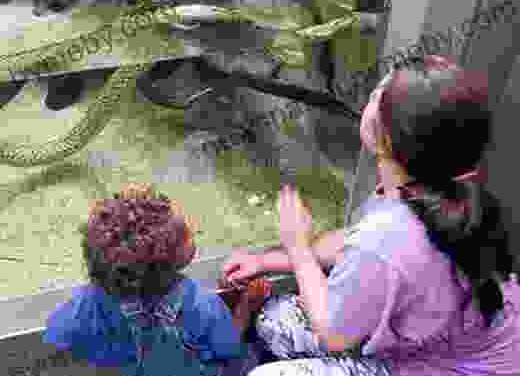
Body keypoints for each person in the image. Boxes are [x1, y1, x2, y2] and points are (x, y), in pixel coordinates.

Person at [223, 55, 520, 376]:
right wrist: (268, 262)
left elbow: (335, 335)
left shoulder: (388, 237)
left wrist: (297, 246)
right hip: (453, 340)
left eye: (382, 96)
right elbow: (353, 244)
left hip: (452, 368)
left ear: (388, 138)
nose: (373, 95)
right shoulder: (444, 190)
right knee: (273, 322)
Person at [42, 182, 271, 376]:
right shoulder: (201, 306)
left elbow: (58, 335)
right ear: (168, 264)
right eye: (183, 234)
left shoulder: (84, 304)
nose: (189, 226)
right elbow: (227, 349)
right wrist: (247, 305)